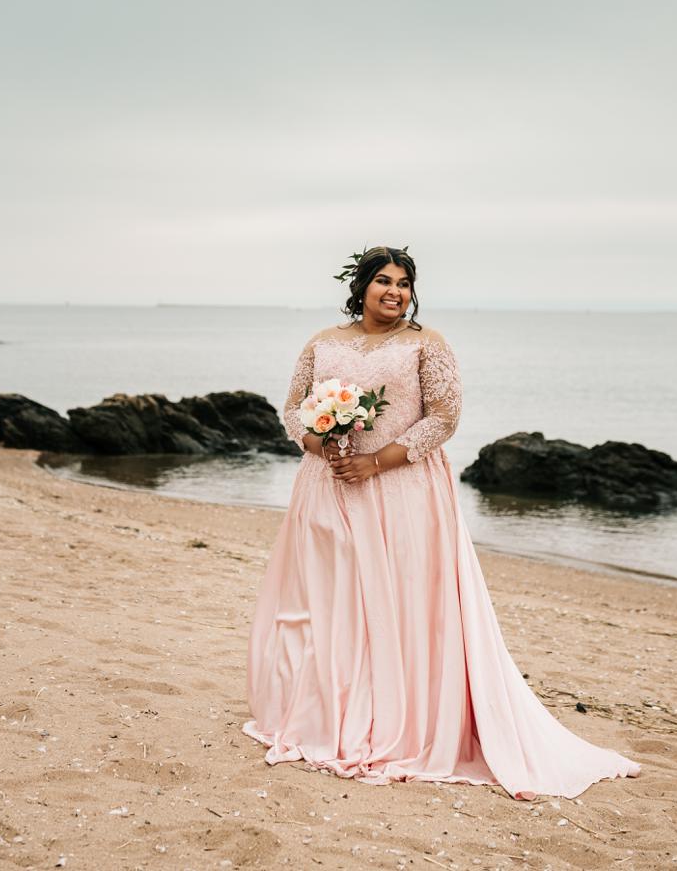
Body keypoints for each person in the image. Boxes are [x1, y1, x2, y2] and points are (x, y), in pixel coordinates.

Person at [242, 245, 641, 799]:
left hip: (402, 488)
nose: (394, 291)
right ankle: (324, 714)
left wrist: (375, 461)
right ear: (360, 288)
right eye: (383, 280)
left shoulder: (427, 345)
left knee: (400, 600)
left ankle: (399, 717)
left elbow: (445, 417)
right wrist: (320, 442)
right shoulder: (321, 343)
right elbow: (291, 410)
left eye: (404, 283)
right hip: (327, 486)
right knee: (327, 599)